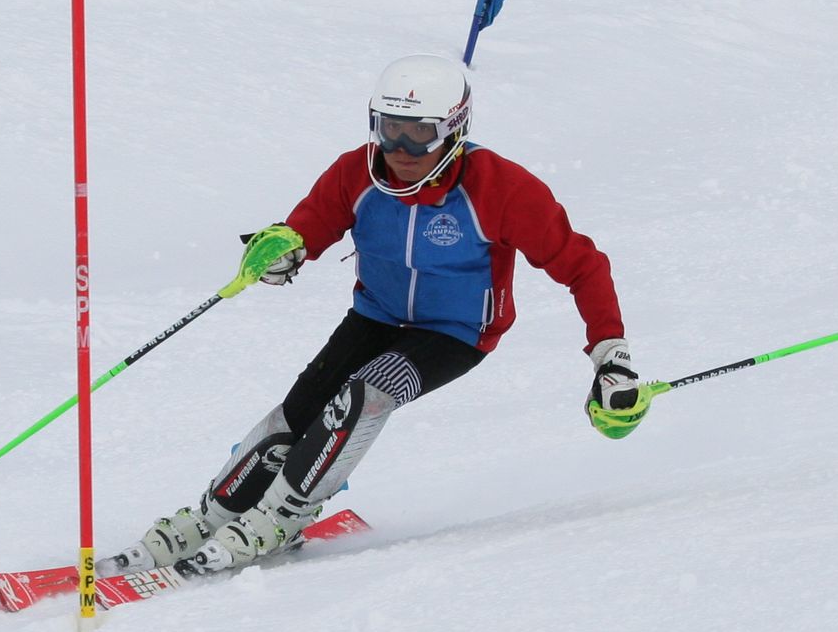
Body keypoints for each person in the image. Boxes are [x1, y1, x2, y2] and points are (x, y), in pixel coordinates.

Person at [101, 52, 647, 579]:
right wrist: (280, 248)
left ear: (454, 129)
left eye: (420, 133)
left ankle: (282, 517)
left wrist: (611, 356)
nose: (400, 149)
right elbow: (307, 227)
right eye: (389, 129)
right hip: (376, 316)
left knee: (366, 395)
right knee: (298, 412)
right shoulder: (355, 173)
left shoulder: (503, 189)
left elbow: (583, 266)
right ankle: (212, 516)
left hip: (456, 333)